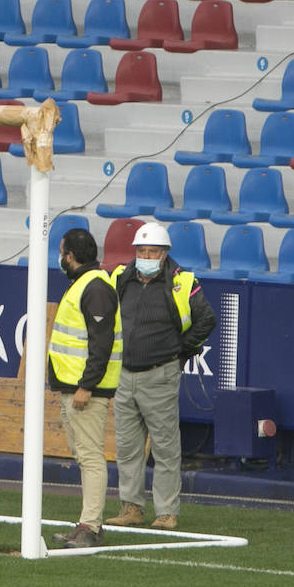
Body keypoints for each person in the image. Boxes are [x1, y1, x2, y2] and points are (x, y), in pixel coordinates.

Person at [105, 222, 216, 531]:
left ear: (165, 254)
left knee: (165, 448)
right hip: (126, 374)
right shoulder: (121, 278)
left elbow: (206, 319)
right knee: (127, 447)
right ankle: (131, 507)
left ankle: (166, 512)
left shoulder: (182, 282)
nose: (146, 255)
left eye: (152, 251)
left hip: (160, 374)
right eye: (142, 251)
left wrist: (180, 350)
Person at [47, 228, 122, 549]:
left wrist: (87, 386)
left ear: (70, 256)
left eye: (62, 252)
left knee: (90, 458)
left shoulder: (94, 288)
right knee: (85, 456)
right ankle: (87, 524)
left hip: (86, 390)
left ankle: (90, 527)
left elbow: (101, 343)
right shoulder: (88, 285)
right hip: (77, 387)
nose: (61, 258)